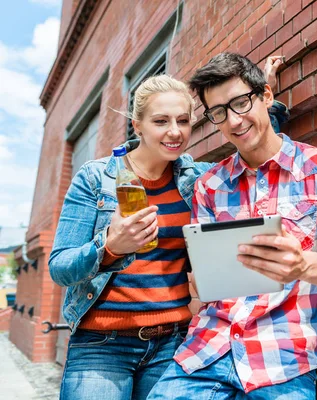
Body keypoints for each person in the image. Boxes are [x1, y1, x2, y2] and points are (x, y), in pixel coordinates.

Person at [49, 58, 287, 400]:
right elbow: (60, 267)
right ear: (138, 126)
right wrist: (110, 246)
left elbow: (256, 145)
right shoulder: (95, 177)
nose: (174, 132)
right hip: (102, 345)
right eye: (161, 121)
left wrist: (264, 100)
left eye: (183, 121)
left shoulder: (196, 180)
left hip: (172, 342)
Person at [148, 52, 317, 399]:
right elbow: (202, 281)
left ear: (266, 96)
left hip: (282, 359)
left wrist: (303, 264)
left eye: (241, 103)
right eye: (220, 113)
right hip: (207, 350)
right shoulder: (209, 184)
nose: (234, 121)